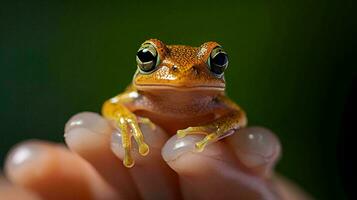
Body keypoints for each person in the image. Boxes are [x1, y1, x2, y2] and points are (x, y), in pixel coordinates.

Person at [0, 112, 312, 200]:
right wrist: (124, 120)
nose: (180, 74)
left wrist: (217, 130)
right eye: (149, 59)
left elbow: (237, 117)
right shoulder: (135, 97)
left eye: (216, 63)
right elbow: (113, 107)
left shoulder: (218, 102)